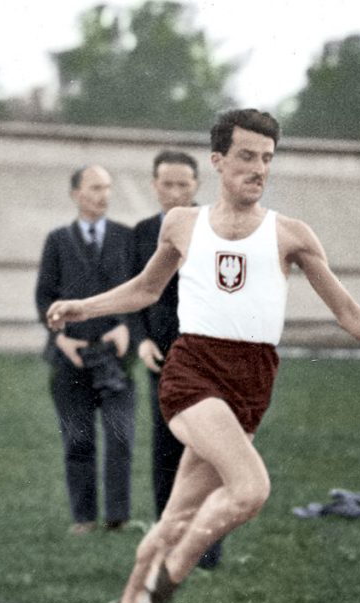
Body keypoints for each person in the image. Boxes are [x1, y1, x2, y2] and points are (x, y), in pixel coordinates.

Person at [46, 108, 360, 603]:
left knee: (175, 517)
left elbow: (346, 311)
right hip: (191, 373)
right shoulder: (183, 225)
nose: (257, 169)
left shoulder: (291, 234)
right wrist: (82, 307)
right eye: (246, 156)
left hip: (251, 384)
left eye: (267, 158)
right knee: (251, 489)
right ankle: (161, 591)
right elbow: (144, 289)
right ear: (217, 161)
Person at [35, 164, 143, 534]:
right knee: (77, 439)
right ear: (76, 194)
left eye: (108, 188)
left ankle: (118, 518)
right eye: (95, 188)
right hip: (71, 360)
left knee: (120, 437)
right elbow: (43, 297)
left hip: (117, 359)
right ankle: (84, 519)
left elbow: (142, 292)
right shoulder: (58, 241)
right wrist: (59, 338)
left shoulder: (127, 239)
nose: (103, 195)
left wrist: (127, 329)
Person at [133, 149, 223, 569]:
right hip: (163, 358)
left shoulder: (216, 230)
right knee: (166, 449)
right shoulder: (141, 233)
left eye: (182, 184)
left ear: (196, 186)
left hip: (209, 356)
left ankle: (206, 547)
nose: (174, 191)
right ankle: (166, 540)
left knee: (208, 451)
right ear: (154, 186)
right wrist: (140, 340)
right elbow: (133, 293)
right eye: (166, 184)